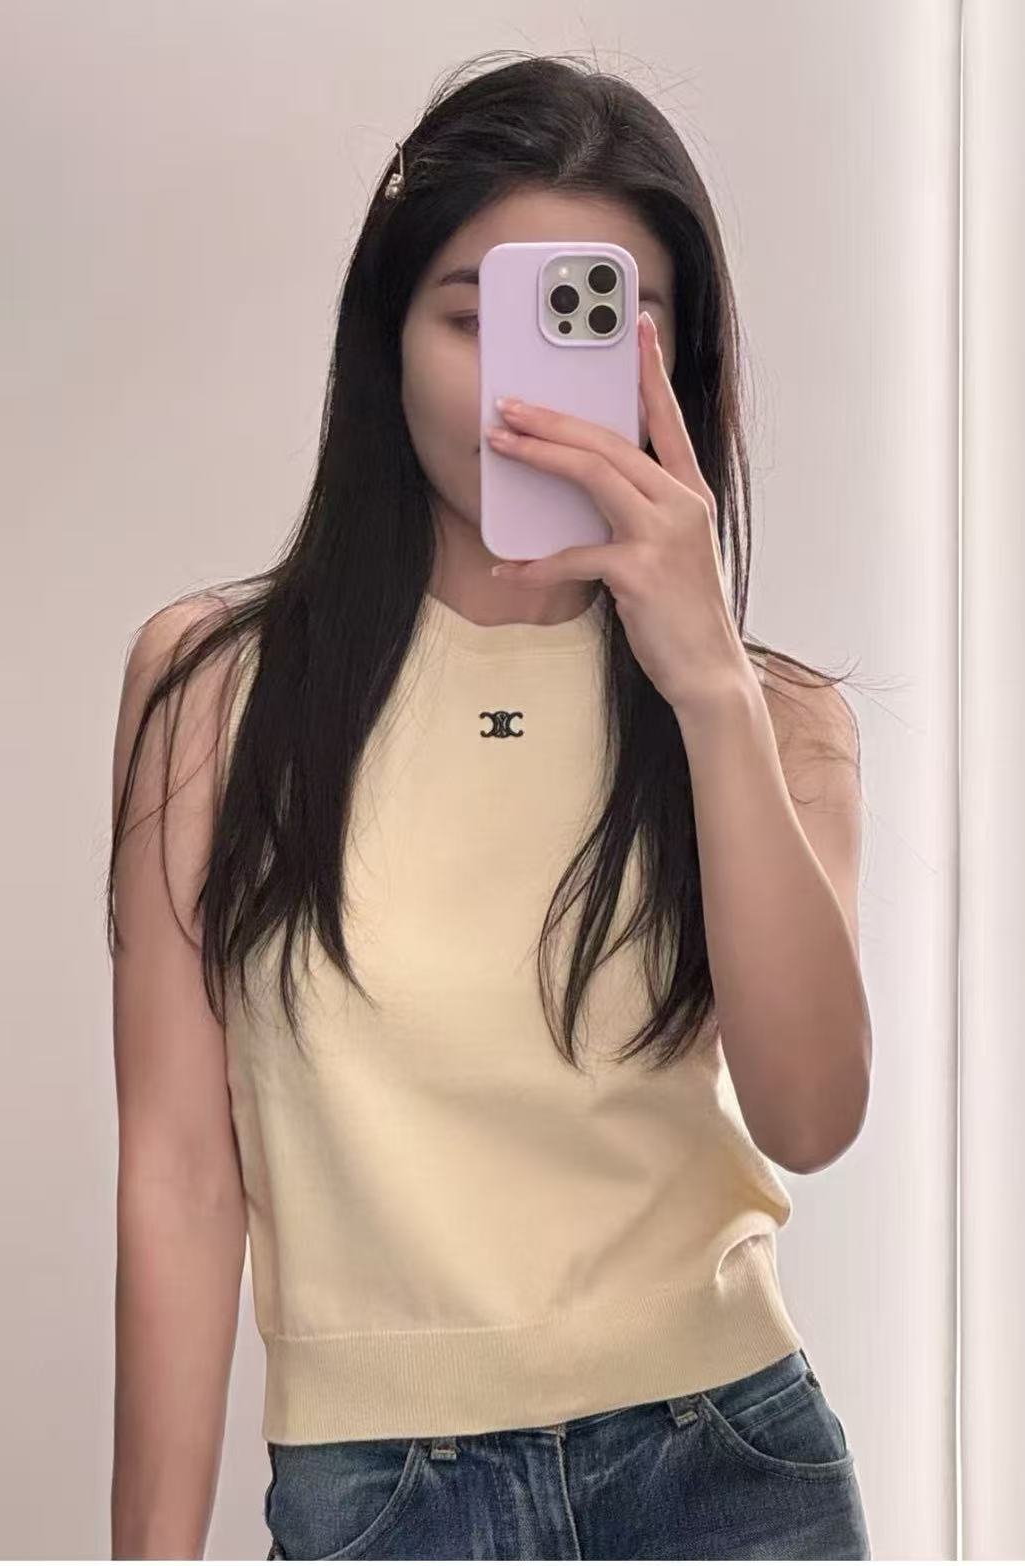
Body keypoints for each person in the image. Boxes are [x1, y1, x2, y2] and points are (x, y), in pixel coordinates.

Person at [107, 50, 873, 1561]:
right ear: (386, 337)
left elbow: (811, 1115)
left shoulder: (775, 719)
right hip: (384, 1496)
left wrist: (709, 687)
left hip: (727, 1467)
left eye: (597, 324)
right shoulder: (214, 691)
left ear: (678, 366)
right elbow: (182, 1177)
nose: (526, 390)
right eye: (473, 318)